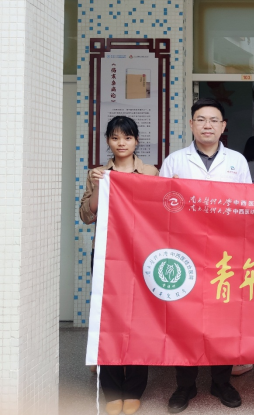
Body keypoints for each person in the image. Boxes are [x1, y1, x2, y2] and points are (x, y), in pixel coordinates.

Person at [159, 98, 251, 413]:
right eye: (201, 119)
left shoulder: (237, 161)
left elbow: (248, 206)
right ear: (191, 124)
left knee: (223, 318)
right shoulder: (175, 161)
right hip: (185, 253)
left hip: (226, 254)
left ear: (223, 126)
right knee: (184, 319)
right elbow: (160, 205)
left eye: (213, 120)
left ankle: (221, 382)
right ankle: (185, 385)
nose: (207, 125)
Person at [80, 116, 159, 415]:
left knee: (140, 318)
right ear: (108, 141)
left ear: (136, 140)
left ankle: (135, 388)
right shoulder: (97, 173)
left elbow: (159, 214)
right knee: (109, 317)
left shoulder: (151, 172)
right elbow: (87, 216)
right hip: (106, 254)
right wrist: (99, 186)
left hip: (141, 254)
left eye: (127, 137)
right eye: (115, 138)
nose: (121, 143)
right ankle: (112, 390)